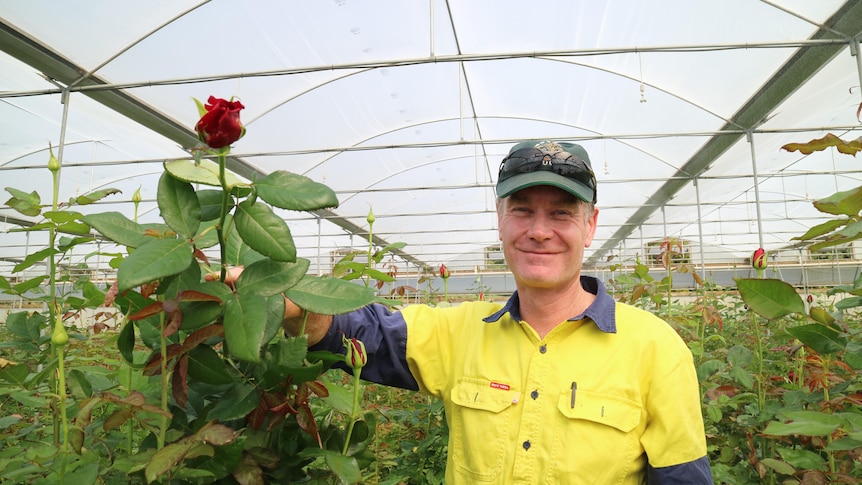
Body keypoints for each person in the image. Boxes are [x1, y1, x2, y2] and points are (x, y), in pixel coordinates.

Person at [283, 140, 713, 484]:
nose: (539, 231)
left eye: (561, 213)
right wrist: (276, 294)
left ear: (591, 225)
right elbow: (356, 330)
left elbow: (682, 477)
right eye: (522, 210)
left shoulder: (654, 348)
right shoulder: (461, 331)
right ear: (501, 219)